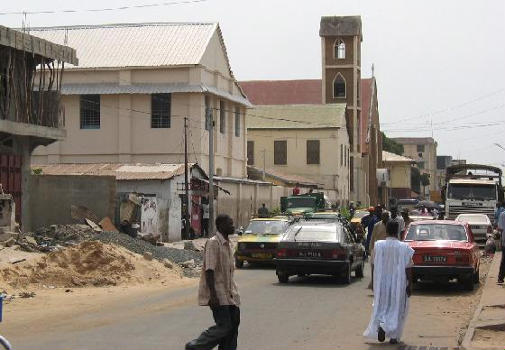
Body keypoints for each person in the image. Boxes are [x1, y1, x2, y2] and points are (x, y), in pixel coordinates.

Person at [186, 214, 241, 350]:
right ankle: (197, 345)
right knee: (224, 326)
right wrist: (213, 295)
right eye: (230, 223)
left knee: (233, 327)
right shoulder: (213, 243)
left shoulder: (228, 244)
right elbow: (209, 270)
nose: (233, 226)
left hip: (231, 294)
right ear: (221, 226)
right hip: (218, 294)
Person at [364, 220, 414, 344]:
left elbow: (373, 265)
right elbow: (408, 268)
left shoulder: (379, 245)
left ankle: (382, 325)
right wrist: (410, 285)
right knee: (397, 307)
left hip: (382, 282)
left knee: (381, 306)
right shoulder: (405, 248)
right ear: (397, 232)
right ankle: (393, 336)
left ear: (386, 230)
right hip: (399, 283)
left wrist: (374, 282)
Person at [368, 212, 390, 289]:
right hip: (378, 249)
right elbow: (372, 237)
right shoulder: (377, 225)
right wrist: (371, 249)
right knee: (374, 267)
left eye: (387, 216)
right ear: (382, 217)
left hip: (388, 249)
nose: (385, 218)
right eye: (384, 216)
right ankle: (374, 284)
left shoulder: (391, 225)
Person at [496, 210, 505, 284]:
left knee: (504, 260)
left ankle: (500, 278)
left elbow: (500, 228)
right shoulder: (502, 214)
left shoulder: (502, 214)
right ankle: (500, 278)